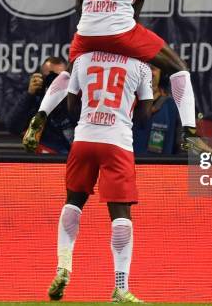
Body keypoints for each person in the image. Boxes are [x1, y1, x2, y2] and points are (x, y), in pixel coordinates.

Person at [23, 0, 212, 155]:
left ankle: (40, 116)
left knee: (70, 73)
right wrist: (124, 41)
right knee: (180, 69)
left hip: (87, 29)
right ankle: (190, 135)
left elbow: (79, 2)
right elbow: (137, 8)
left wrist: (92, 28)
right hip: (121, 29)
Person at [47, 51, 153, 303]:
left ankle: (63, 267)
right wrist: (125, 119)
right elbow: (146, 114)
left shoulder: (82, 60)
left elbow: (71, 107)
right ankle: (120, 287)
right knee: (121, 216)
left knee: (73, 202)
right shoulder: (140, 66)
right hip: (117, 141)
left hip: (84, 138)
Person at [4, 56, 74, 154]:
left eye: (60, 78)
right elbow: (13, 126)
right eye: (51, 77)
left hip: (70, 156)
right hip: (45, 158)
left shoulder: (73, 98)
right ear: (42, 78)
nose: (56, 82)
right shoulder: (35, 100)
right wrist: (29, 94)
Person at [132, 65, 180, 154]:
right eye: (144, 69)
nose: (149, 73)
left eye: (153, 68)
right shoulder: (128, 104)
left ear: (161, 74)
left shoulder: (172, 107)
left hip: (159, 167)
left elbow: (181, 150)